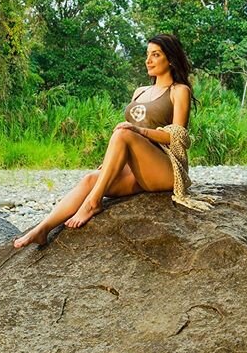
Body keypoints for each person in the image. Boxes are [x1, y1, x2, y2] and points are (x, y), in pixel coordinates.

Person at [14, 33, 201, 249]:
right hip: (137, 170)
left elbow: (177, 137)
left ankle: (93, 203)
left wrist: (139, 131)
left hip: (165, 169)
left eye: (155, 55)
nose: (148, 60)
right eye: (147, 54)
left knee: (123, 132)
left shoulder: (179, 91)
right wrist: (112, 162)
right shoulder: (140, 92)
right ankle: (42, 229)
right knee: (90, 179)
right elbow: (125, 140)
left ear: (169, 59)